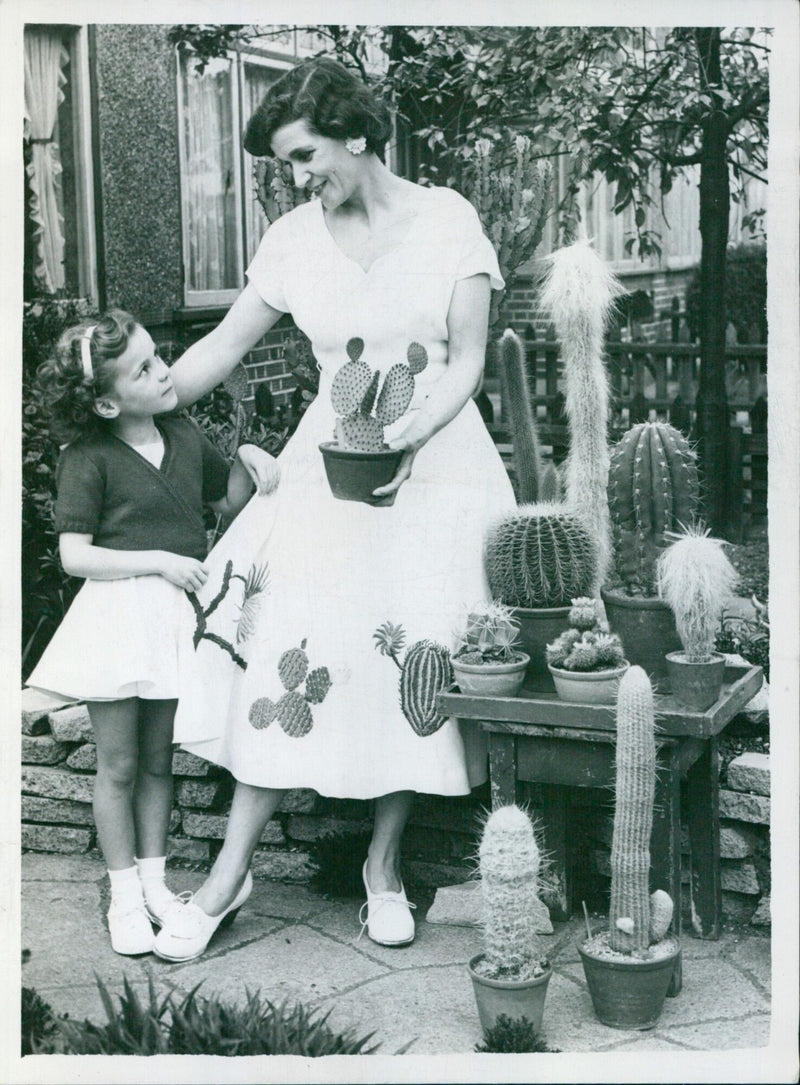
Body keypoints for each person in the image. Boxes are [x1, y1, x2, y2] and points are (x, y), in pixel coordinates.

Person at [153, 57, 517, 963]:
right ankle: (228, 874)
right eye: (284, 163)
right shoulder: (290, 238)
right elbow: (223, 346)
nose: (296, 176)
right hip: (329, 464)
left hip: (437, 467)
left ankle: (383, 869)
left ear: (356, 134)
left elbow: (466, 361)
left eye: (304, 153)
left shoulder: (448, 221)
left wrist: (414, 435)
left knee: (411, 654)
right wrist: (131, 397)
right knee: (290, 642)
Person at [27, 310, 280, 955]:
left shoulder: (184, 434)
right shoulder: (87, 458)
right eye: (144, 369)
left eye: (157, 356)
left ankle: (156, 885)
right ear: (107, 403)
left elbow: (228, 503)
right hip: (115, 622)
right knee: (118, 764)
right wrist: (159, 561)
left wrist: (249, 457)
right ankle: (122, 896)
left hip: (172, 624)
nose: (165, 371)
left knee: (159, 763)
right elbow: (75, 555)